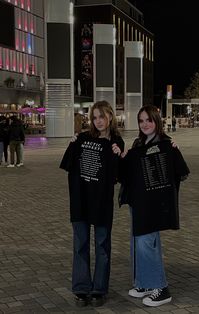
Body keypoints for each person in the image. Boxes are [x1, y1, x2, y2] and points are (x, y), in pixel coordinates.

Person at [119, 105, 189, 307]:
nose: (145, 124)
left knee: (146, 244)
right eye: (141, 121)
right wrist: (123, 156)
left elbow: (180, 173)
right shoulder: (137, 143)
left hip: (154, 204)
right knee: (137, 242)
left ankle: (160, 288)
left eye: (149, 120)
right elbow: (128, 173)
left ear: (156, 121)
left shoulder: (166, 143)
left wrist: (175, 152)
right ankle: (144, 283)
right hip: (138, 202)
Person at [60, 101, 124, 307]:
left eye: (102, 117)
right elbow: (68, 164)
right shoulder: (81, 139)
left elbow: (120, 173)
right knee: (80, 245)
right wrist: (72, 143)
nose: (98, 121)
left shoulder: (116, 142)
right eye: (94, 117)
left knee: (103, 246)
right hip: (80, 200)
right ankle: (81, 288)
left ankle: (99, 289)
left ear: (110, 117)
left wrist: (119, 155)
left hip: (102, 202)